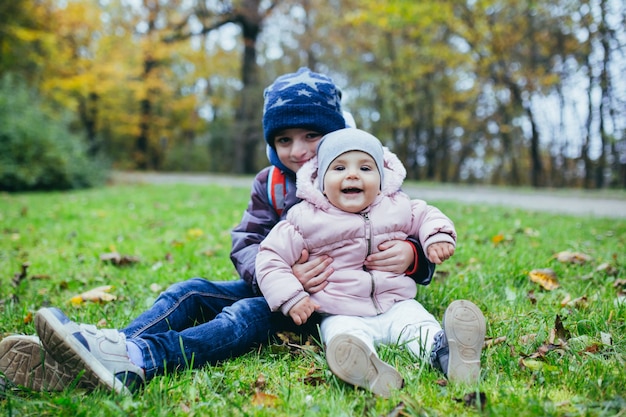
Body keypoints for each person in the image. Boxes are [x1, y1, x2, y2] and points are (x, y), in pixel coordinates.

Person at [0, 68, 433, 395]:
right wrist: (278, 277)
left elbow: (409, 222)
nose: (298, 151)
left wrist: (414, 256)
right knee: (190, 292)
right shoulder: (272, 183)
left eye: (312, 135)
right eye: (284, 140)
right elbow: (247, 241)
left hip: (334, 306)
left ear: (339, 134)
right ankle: (109, 348)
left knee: (243, 316)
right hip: (280, 288)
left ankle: (138, 359)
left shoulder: (363, 176)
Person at [256, 128, 486, 397]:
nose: (352, 175)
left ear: (381, 179)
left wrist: (437, 236)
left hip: (396, 303)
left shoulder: (395, 205)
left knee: (419, 325)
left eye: (365, 168)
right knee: (343, 336)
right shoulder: (305, 219)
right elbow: (270, 256)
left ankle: (448, 356)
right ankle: (364, 366)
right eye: (339, 167)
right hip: (340, 310)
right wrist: (291, 297)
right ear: (321, 180)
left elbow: (426, 215)